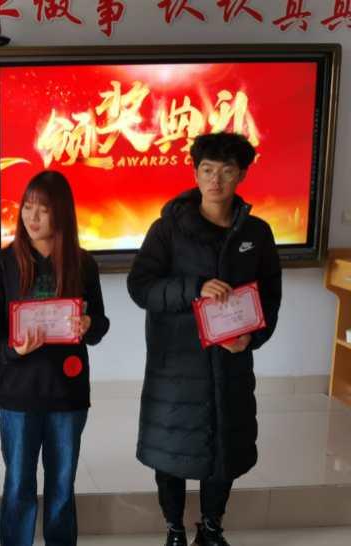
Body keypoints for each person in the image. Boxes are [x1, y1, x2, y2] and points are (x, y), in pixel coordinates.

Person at [127, 132, 282, 546]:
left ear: (242, 175)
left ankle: (212, 528)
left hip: (231, 363)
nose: (216, 180)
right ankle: (174, 530)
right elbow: (141, 287)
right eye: (207, 170)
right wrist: (193, 288)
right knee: (171, 452)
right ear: (195, 173)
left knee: (224, 453)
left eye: (226, 171)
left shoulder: (257, 233)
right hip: (176, 367)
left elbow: (269, 297)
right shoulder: (167, 230)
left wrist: (251, 338)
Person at [0, 170, 110, 546]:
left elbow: (100, 323)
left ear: (61, 213)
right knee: (19, 484)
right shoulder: (4, 263)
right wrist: (10, 350)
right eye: (27, 207)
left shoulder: (83, 264)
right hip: (19, 394)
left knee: (62, 486)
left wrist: (88, 325)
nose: (32, 217)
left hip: (68, 394)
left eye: (43, 209)